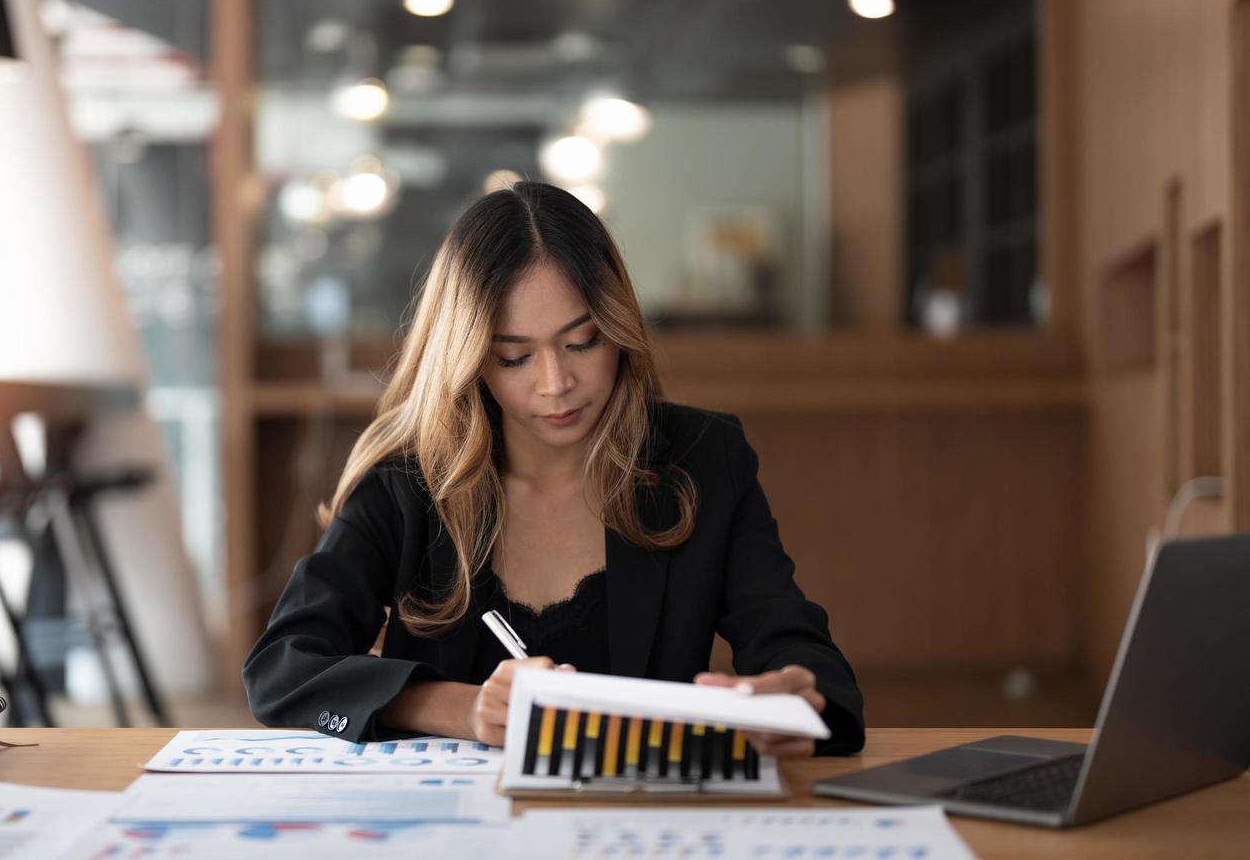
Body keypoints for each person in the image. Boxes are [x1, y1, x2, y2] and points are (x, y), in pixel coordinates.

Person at [242, 181, 863, 758]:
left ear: (620, 329)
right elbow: (281, 672)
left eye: (583, 342)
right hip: (453, 845)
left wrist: (793, 702)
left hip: (641, 839)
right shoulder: (408, 480)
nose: (556, 384)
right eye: (514, 356)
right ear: (471, 360)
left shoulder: (702, 458)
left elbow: (808, 661)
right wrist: (459, 709)